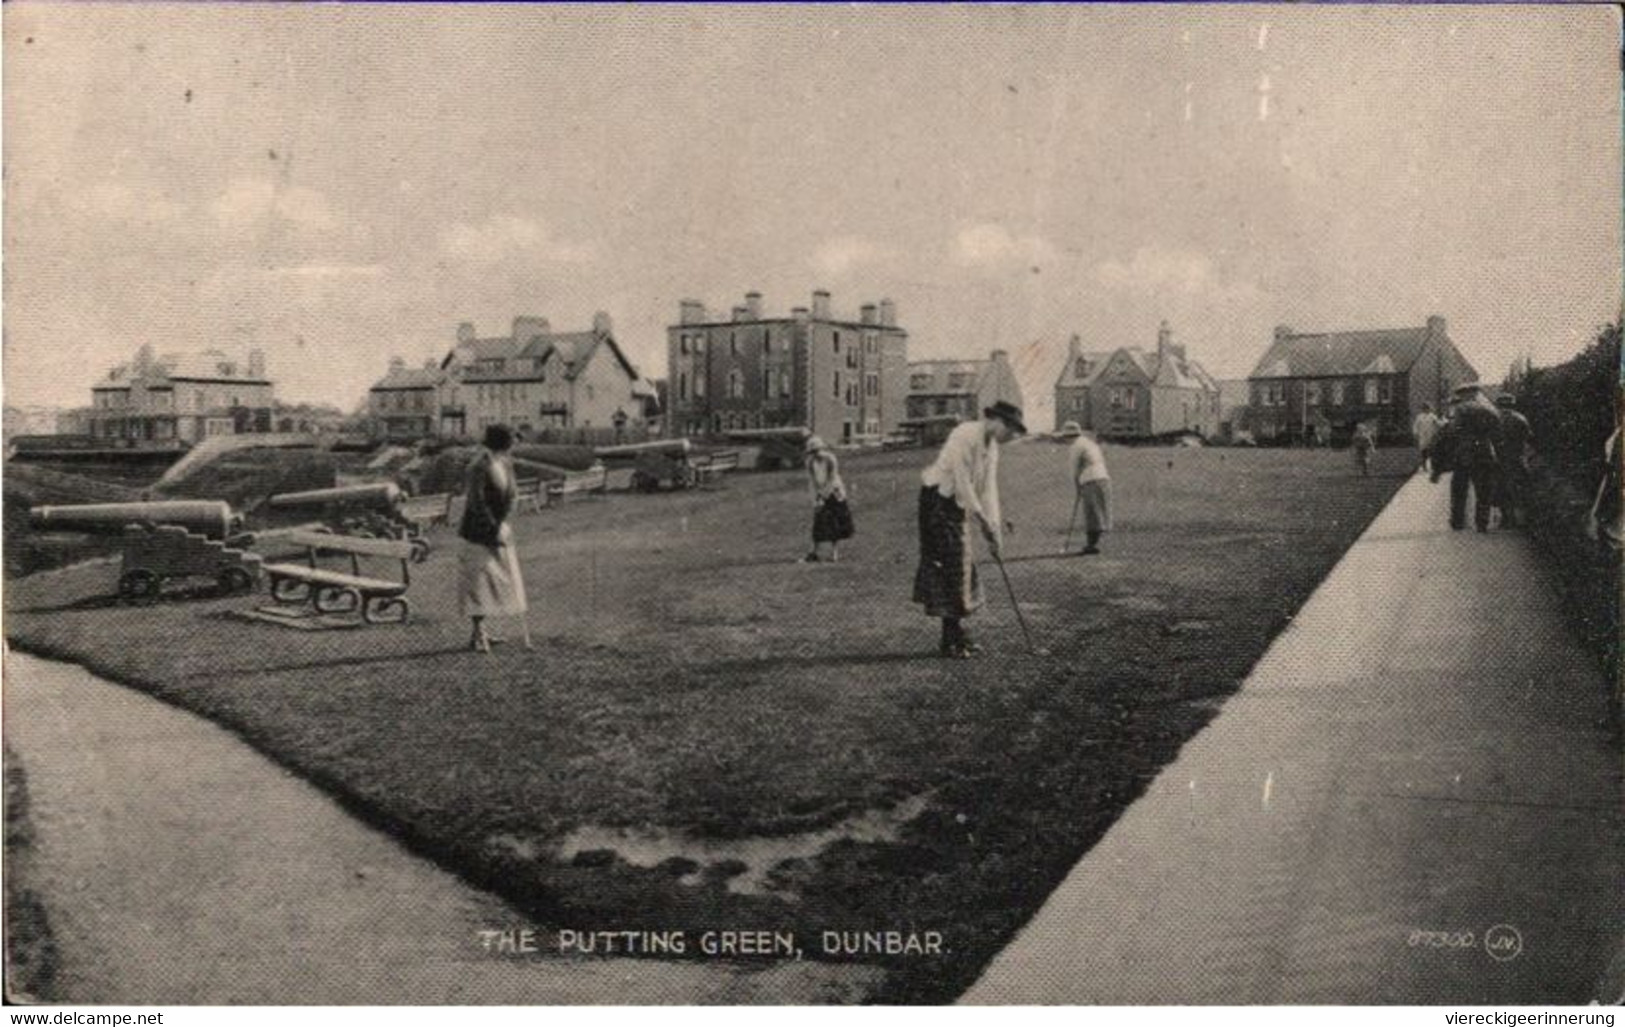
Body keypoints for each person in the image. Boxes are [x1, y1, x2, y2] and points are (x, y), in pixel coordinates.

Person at [913, 401, 1025, 658]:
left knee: (961, 566)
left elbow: (988, 489)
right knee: (951, 565)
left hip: (956, 504)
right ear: (995, 421)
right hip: (936, 501)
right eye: (1010, 428)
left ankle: (953, 636)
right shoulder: (964, 434)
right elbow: (963, 483)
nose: (1011, 435)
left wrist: (994, 530)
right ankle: (952, 638)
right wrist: (982, 522)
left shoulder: (992, 447)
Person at [457, 424, 532, 653]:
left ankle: (481, 632)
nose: (516, 443)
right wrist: (493, 528)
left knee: (498, 582)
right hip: (477, 532)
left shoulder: (506, 462)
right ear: (502, 442)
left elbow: (512, 495)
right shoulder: (478, 466)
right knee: (477, 583)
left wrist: (504, 523)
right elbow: (476, 503)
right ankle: (479, 633)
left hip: (499, 529)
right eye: (513, 439)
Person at [1431, 384, 1500, 532]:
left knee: (1459, 488)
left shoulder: (1461, 409)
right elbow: (1497, 431)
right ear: (1476, 393)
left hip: (1465, 454)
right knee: (1483, 490)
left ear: (1464, 395)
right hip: (1485, 451)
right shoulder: (1489, 409)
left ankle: (1458, 522)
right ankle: (1482, 523)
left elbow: (1452, 432)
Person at [802, 435, 853, 563]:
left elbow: (831, 478)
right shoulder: (810, 462)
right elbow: (812, 481)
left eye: (818, 450)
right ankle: (814, 552)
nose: (816, 454)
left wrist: (825, 495)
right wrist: (816, 498)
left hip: (834, 492)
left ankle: (834, 553)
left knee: (834, 523)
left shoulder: (831, 459)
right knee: (818, 523)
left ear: (822, 448)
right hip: (820, 492)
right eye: (813, 452)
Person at [1067, 429, 1112, 555]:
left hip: (1091, 480)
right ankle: (1093, 543)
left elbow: (1074, 470)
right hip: (1104, 478)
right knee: (1099, 512)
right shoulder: (1090, 443)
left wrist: (1077, 488)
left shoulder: (1076, 446)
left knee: (1091, 514)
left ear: (1069, 436)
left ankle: (1091, 545)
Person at [1493, 394, 1532, 529]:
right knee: (1518, 488)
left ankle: (1505, 519)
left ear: (1498, 405)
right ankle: (1519, 519)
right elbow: (1529, 437)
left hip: (1499, 459)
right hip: (1517, 458)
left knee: (1500, 489)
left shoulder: (1494, 419)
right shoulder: (1521, 418)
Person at [1412, 403, 1443, 473]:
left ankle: (1432, 466)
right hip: (1422, 436)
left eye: (1427, 408)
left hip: (1431, 436)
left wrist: (1443, 422)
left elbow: (1438, 423)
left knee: (1432, 452)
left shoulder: (1432, 416)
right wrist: (1415, 434)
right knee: (1424, 452)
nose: (1426, 409)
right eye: (1425, 408)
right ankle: (1424, 465)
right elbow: (1415, 426)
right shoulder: (1419, 417)